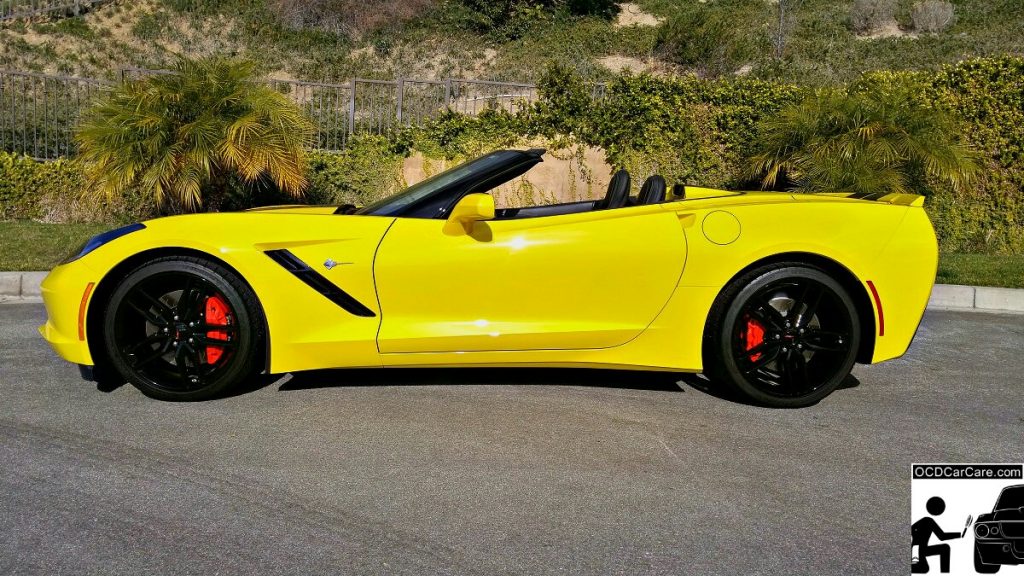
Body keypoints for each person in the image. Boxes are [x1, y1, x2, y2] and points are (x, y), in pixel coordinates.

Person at [911, 496, 962, 573]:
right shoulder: (928, 521)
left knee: (924, 568)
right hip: (918, 551)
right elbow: (942, 536)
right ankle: (945, 573)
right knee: (945, 548)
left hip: (916, 551)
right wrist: (959, 534)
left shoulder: (916, 524)